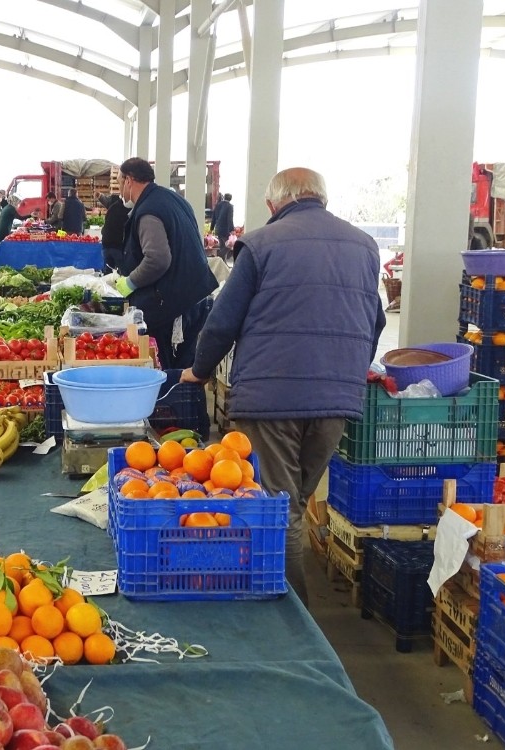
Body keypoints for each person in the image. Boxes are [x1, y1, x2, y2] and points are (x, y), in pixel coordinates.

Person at [179, 167, 385, 606]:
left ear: (274, 204)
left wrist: (198, 370)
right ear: (320, 197)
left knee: (278, 510)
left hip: (272, 399)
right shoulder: (365, 246)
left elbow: (223, 320)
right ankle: (285, 600)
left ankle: (292, 617)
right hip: (335, 402)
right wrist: (346, 375)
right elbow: (375, 321)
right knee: (293, 503)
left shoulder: (261, 243)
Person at [113, 157, 216, 369]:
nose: (119, 189)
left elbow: (157, 259)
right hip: (194, 297)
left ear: (129, 181)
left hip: (172, 306)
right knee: (188, 371)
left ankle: (170, 400)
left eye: (119, 182)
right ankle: (186, 401)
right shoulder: (173, 199)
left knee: (168, 370)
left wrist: (129, 282)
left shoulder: (149, 210)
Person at [98, 192, 128, 272]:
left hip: (106, 245)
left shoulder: (111, 209)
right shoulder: (126, 210)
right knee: (121, 272)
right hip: (117, 246)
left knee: (107, 271)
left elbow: (104, 229)